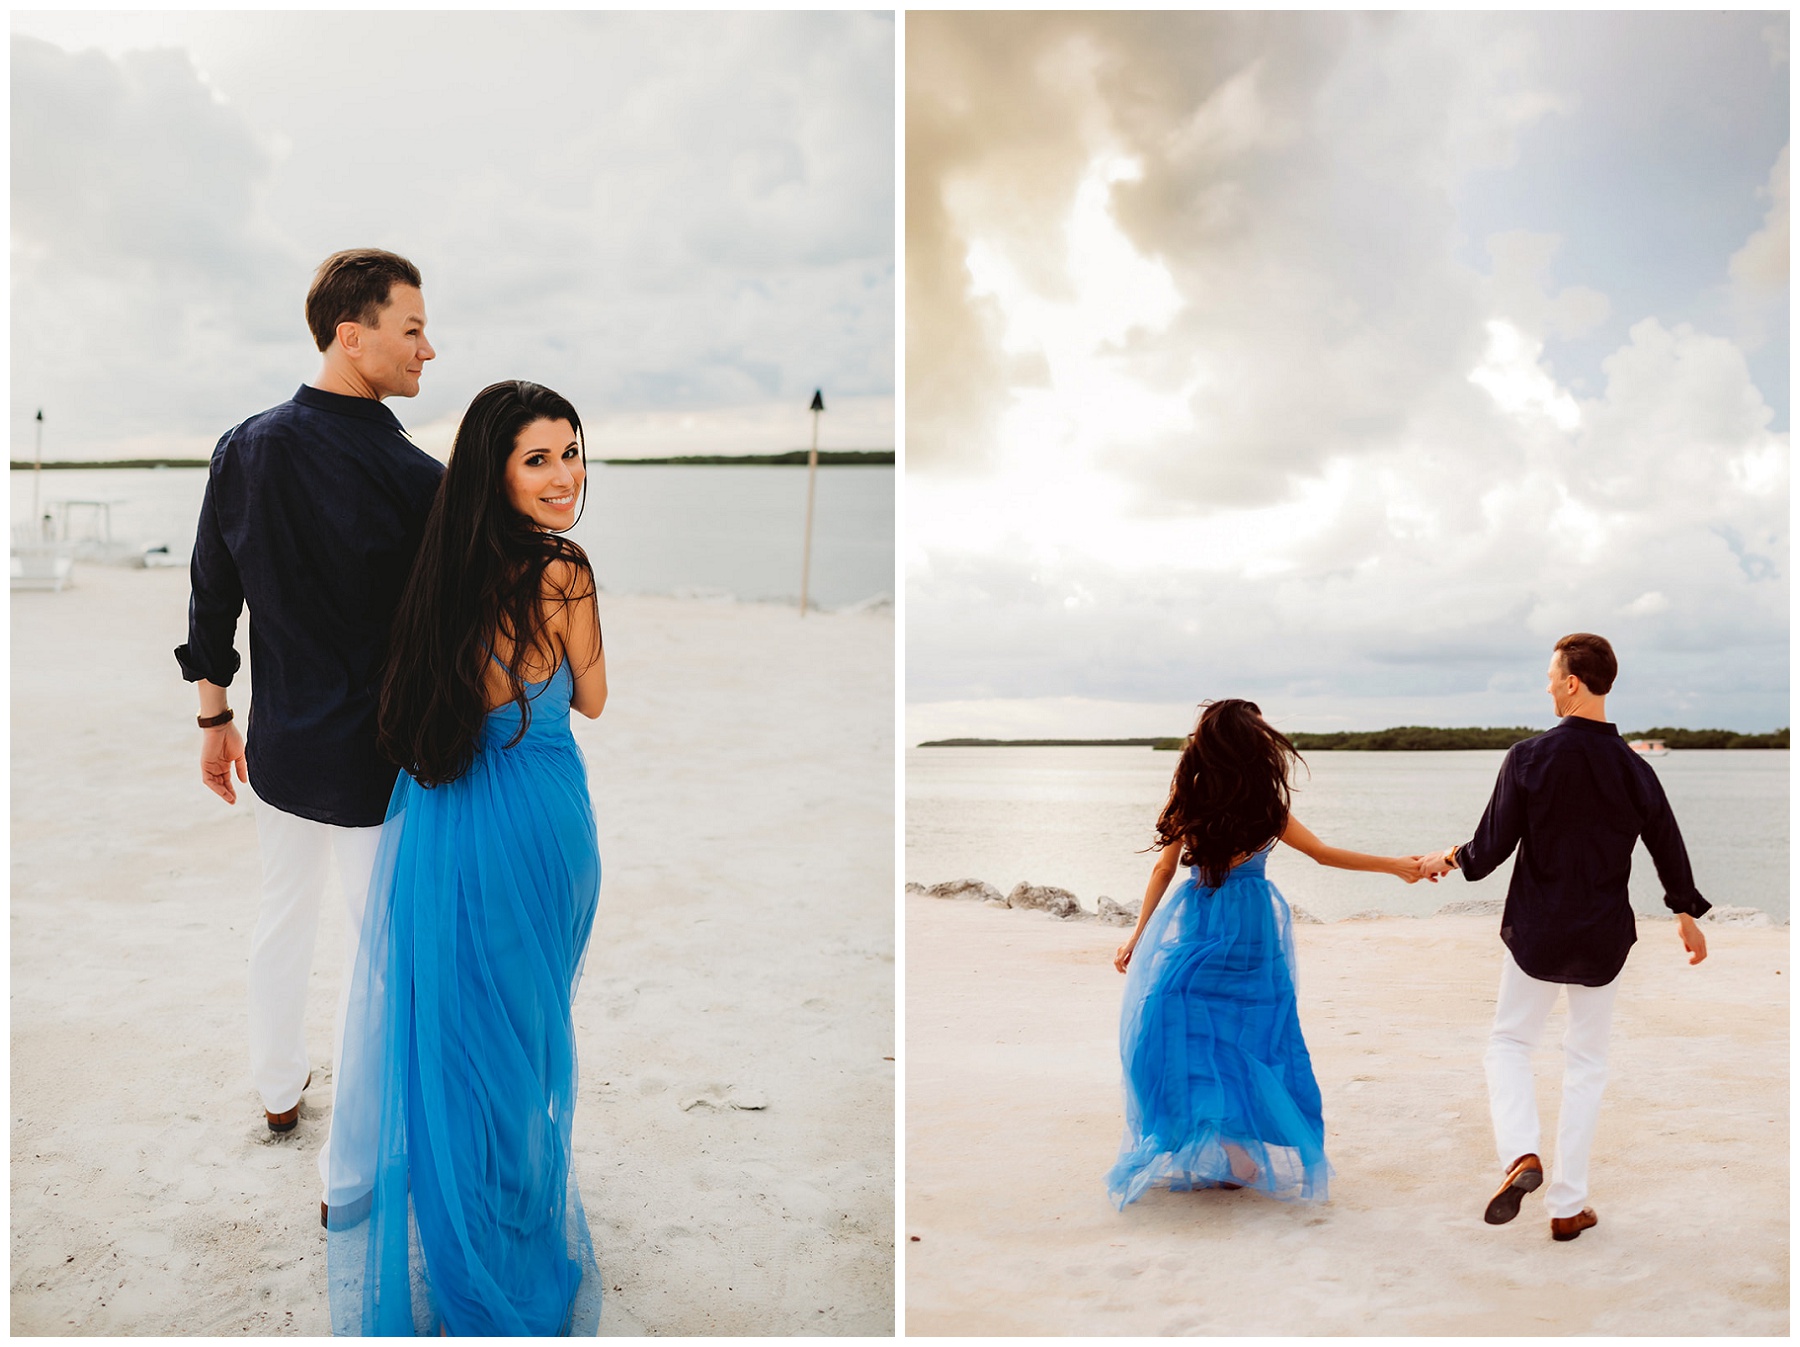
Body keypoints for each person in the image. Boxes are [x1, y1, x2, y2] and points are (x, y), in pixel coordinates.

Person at [325, 380, 607, 1336]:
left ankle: (462, 1221)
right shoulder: (563, 570)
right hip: (536, 818)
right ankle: (512, 1227)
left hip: (441, 818)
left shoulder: (440, 566)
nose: (565, 474)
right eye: (540, 458)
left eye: (571, 451)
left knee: (456, 1025)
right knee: (527, 1025)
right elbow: (596, 698)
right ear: (498, 469)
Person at [175, 250, 442, 1202]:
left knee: (281, 917)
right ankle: (353, 1166)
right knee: (380, 956)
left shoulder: (246, 445)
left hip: (281, 747)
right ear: (351, 334)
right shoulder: (418, 478)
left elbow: (213, 600)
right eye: (411, 328)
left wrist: (215, 716)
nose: (429, 349)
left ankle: (278, 1091)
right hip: (379, 765)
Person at [1417, 632, 1708, 1242]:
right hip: (1603, 937)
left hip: (1537, 932)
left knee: (1508, 1044)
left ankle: (1522, 1156)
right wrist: (1685, 911)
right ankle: (1568, 1207)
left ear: (1573, 681)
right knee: (1587, 1062)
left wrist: (1451, 858)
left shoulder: (1528, 757)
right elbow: (1667, 844)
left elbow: (1488, 850)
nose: (1547, 684)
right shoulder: (1635, 768)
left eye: (1552, 675)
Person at [1107, 698, 1425, 1210]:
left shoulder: (1206, 799)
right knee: (1245, 1034)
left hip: (1207, 919)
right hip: (1251, 921)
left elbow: (1163, 872)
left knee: (1170, 1022)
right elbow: (1323, 854)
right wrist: (1395, 866)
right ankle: (1234, 1151)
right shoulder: (1251, 804)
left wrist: (1139, 934)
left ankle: (1233, 1149)